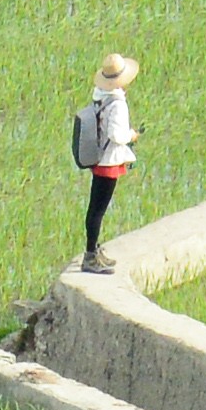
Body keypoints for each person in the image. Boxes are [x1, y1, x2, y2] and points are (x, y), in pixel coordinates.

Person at [69, 53, 141, 274]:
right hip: (108, 162)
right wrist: (133, 135)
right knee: (97, 210)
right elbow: (117, 135)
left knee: (95, 208)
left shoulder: (100, 95)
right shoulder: (117, 103)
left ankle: (95, 250)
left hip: (99, 158)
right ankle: (90, 256)